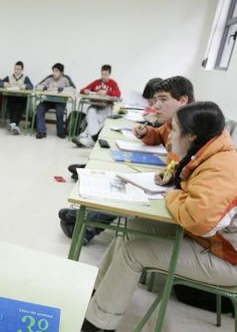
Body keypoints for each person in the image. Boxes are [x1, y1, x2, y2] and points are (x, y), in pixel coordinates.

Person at [82, 101, 237, 332]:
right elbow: (198, 186)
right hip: (214, 242)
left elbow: (199, 221)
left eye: (175, 130)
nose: (169, 138)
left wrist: (173, 194)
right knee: (135, 225)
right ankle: (99, 292)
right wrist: (175, 179)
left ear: (192, 136)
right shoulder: (211, 152)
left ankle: (100, 320)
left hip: (229, 259)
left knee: (134, 251)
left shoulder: (223, 168)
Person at [60, 77, 166, 244]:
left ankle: (87, 225)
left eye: (160, 100)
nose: (154, 105)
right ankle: (86, 176)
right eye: (154, 101)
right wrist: (147, 129)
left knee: (126, 182)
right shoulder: (171, 120)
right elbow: (160, 135)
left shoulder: (182, 124)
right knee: (119, 169)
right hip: (159, 165)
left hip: (164, 175)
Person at [133, 76, 194, 162]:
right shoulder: (173, 122)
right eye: (156, 100)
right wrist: (145, 133)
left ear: (182, 101)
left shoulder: (197, 132)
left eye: (163, 99)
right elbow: (159, 135)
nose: (155, 106)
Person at [72, 64, 121, 148]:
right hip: (95, 106)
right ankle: (91, 139)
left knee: (99, 120)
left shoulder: (113, 83)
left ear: (109, 74)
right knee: (90, 112)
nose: (103, 76)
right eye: (102, 74)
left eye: (106, 74)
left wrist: (106, 92)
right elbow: (82, 90)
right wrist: (86, 91)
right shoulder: (96, 82)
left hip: (106, 107)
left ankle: (86, 137)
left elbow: (118, 94)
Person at [34, 63, 76, 139]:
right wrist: (46, 88)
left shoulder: (66, 78)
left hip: (60, 101)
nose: (54, 73)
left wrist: (59, 89)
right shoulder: (49, 78)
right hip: (48, 100)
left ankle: (60, 132)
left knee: (59, 111)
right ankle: (41, 131)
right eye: (53, 71)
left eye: (56, 71)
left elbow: (73, 89)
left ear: (61, 72)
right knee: (40, 107)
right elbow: (37, 86)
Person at [0, 61, 33, 135]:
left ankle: (13, 124)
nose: (16, 71)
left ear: (22, 69)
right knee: (11, 108)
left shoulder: (25, 77)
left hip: (22, 98)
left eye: (18, 69)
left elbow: (31, 86)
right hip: (11, 96)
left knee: (19, 108)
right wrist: (4, 84)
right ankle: (15, 126)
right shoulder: (9, 77)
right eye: (15, 69)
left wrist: (25, 86)